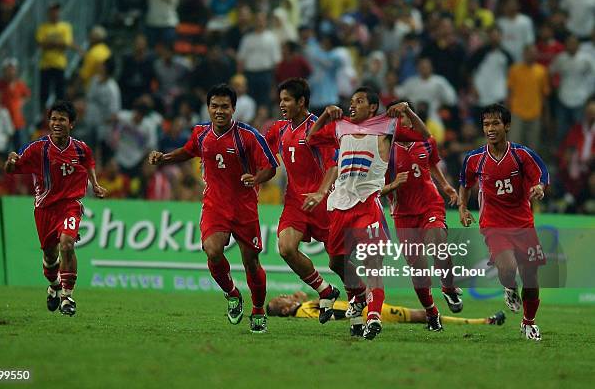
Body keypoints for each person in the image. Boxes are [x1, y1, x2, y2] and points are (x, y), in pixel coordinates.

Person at [148, 84, 278, 333]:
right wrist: (164, 157)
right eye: (215, 106)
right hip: (215, 205)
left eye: (225, 107)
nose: (219, 111)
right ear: (208, 108)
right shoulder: (200, 133)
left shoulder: (249, 136)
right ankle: (232, 293)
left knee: (251, 262)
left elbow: (271, 166)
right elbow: (188, 151)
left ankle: (258, 309)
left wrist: (256, 179)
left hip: (244, 207)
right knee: (212, 250)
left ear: (233, 109)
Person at [306, 87, 429, 339]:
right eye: (351, 101)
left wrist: (407, 110)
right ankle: (358, 296)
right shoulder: (341, 126)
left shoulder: (386, 130)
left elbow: (424, 135)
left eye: (359, 101)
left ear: (372, 107)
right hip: (340, 204)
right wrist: (324, 116)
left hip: (368, 203)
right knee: (335, 262)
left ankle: (373, 316)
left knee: (372, 264)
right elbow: (311, 138)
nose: (352, 105)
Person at [4, 100, 107, 316]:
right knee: (50, 257)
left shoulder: (81, 148)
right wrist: (11, 161)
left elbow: (89, 163)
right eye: (53, 119)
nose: (56, 123)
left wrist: (95, 184)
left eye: (61, 119)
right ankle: (54, 285)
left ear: (72, 124)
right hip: (45, 208)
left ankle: (67, 296)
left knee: (67, 245)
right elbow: (12, 167)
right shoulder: (37, 148)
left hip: (70, 205)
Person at [459, 103, 549, 341]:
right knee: (508, 267)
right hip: (494, 224)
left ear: (506, 126)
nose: (490, 128)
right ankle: (509, 286)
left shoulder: (521, 155)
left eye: (495, 123)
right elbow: (465, 184)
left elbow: (541, 173)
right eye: (486, 124)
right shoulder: (475, 158)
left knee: (531, 276)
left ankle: (529, 323)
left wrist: (539, 187)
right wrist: (462, 207)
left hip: (523, 224)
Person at [264, 78, 341, 324]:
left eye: (287, 99)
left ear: (301, 101)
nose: (282, 104)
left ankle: (363, 302)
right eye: (281, 99)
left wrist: (320, 193)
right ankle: (325, 290)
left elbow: (332, 165)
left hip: (323, 203)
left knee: (338, 262)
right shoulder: (279, 129)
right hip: (295, 201)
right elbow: (262, 156)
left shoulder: (317, 129)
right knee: (286, 248)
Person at [382, 101, 462, 332]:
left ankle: (448, 288)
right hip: (402, 214)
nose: (402, 121)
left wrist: (446, 186)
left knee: (438, 244)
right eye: (397, 118)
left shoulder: (424, 142)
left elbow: (433, 163)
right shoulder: (385, 148)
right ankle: (431, 313)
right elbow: (377, 185)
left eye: (405, 117)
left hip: (429, 205)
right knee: (418, 269)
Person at [266, 291, 506, 332]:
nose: (287, 296)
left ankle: (483, 321)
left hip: (365, 309)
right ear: (286, 310)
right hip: (369, 310)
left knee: (421, 315)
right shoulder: (304, 311)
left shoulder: (303, 309)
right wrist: (356, 317)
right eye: (283, 299)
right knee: (422, 315)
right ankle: (483, 321)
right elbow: (336, 315)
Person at [36, 2, 74, 106]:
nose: (55, 13)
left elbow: (66, 44)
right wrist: (57, 43)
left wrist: (50, 43)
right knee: (44, 94)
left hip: (59, 64)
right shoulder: (43, 27)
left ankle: (59, 114)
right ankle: (44, 117)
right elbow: (41, 44)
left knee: (60, 93)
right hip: (45, 64)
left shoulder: (65, 27)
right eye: (53, 10)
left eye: (57, 10)